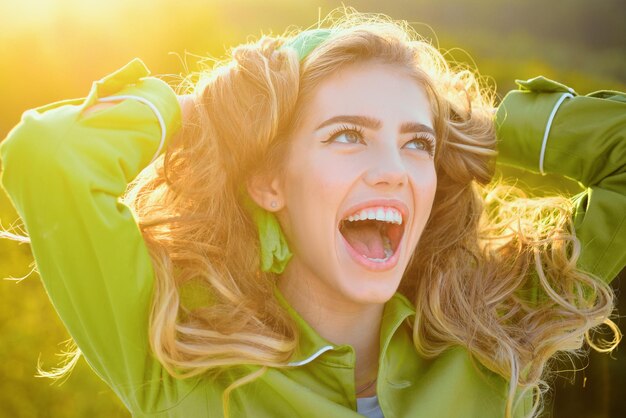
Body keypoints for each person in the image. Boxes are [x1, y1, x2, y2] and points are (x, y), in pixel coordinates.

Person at [0, 10, 624, 418]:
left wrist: (473, 128)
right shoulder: (182, 367)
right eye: (347, 135)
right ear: (270, 181)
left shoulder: (489, 338)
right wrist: (217, 112)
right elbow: (47, 155)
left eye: (417, 143)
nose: (393, 170)